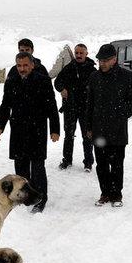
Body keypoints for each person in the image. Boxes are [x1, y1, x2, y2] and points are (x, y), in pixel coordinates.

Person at [0, 52, 60, 213]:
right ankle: (25, 196)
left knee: (38, 167)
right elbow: (5, 106)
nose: (22, 69)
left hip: (37, 129)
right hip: (18, 129)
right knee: (21, 167)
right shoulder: (11, 82)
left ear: (32, 65)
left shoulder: (42, 81)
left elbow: (51, 106)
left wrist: (55, 130)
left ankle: (41, 198)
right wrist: (0, 127)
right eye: (19, 66)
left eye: (25, 65)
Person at [85, 44, 132, 208]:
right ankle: (105, 193)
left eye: (105, 60)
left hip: (117, 130)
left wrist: (120, 114)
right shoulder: (94, 77)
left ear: (114, 60)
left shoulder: (127, 77)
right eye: (100, 60)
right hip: (98, 130)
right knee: (101, 165)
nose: (101, 63)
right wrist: (88, 127)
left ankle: (117, 194)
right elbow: (90, 104)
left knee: (116, 164)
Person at [54, 43, 96, 172]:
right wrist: (62, 89)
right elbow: (57, 82)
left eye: (81, 53)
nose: (78, 55)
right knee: (69, 135)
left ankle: (88, 162)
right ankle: (67, 160)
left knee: (87, 136)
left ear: (86, 54)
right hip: (70, 107)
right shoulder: (69, 68)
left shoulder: (92, 70)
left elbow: (98, 89)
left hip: (86, 109)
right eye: (76, 53)